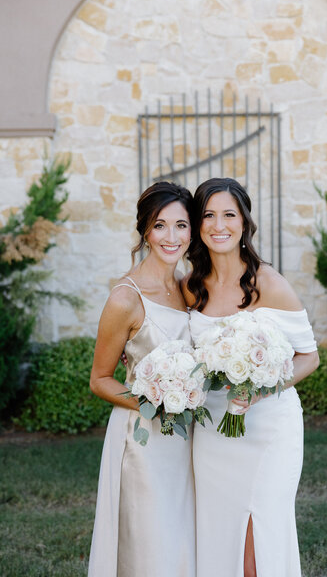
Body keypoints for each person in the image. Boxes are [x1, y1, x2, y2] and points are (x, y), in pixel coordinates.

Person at [182, 177, 319, 577]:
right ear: (198, 224)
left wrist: (262, 388)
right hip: (212, 434)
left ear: (244, 222)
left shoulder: (268, 283)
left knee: (256, 541)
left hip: (268, 430)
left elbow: (309, 357)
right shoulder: (192, 287)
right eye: (208, 215)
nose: (218, 225)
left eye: (229, 214)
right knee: (220, 531)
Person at [88, 181, 196, 577]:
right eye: (160, 225)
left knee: (184, 540)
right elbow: (100, 378)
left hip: (188, 439)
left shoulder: (189, 287)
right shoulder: (125, 297)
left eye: (181, 226)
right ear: (145, 231)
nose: (172, 237)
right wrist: (156, 401)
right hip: (143, 440)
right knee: (150, 546)